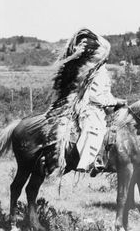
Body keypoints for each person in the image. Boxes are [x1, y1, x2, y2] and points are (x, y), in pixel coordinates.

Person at [43, 28, 125, 175]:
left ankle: (105, 159)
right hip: (90, 108)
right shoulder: (94, 74)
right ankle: (87, 162)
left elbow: (105, 93)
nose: (106, 59)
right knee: (95, 130)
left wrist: (114, 102)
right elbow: (96, 97)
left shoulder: (101, 72)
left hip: (102, 110)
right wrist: (115, 101)